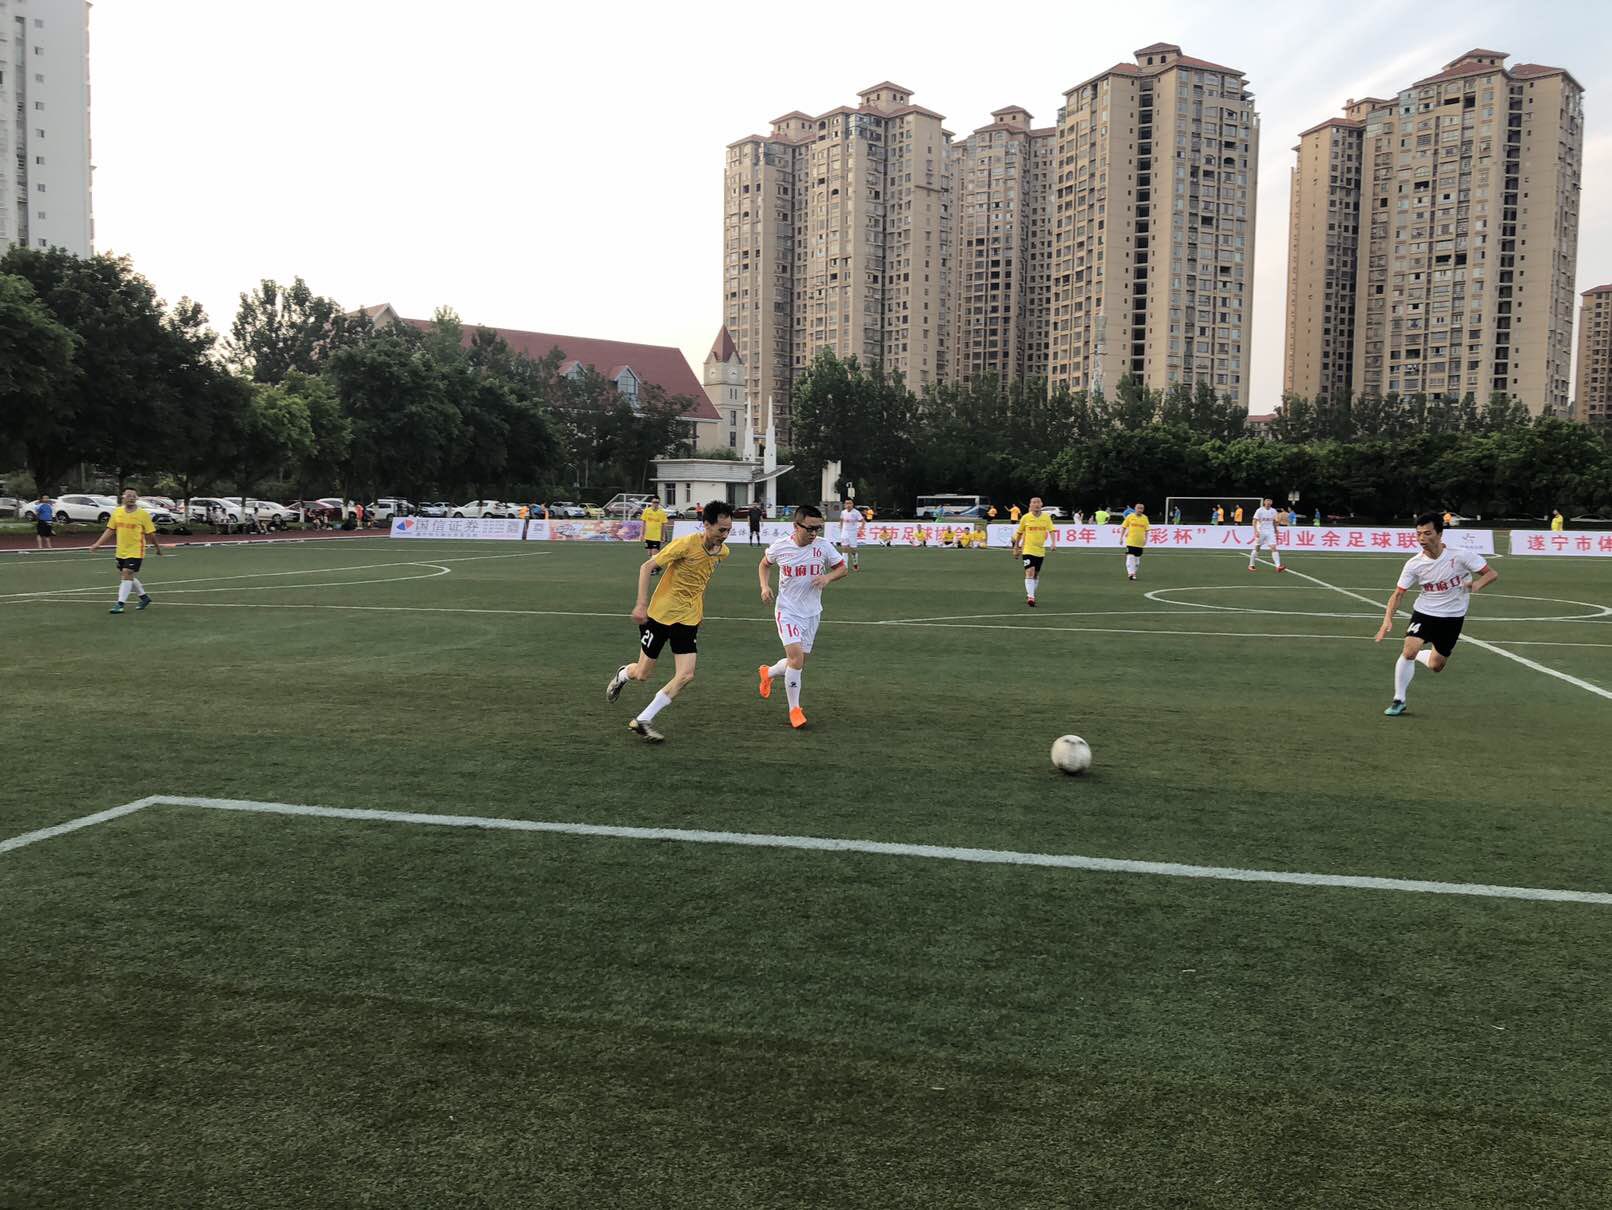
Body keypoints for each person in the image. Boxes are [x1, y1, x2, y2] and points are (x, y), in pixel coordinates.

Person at [604, 501, 735, 742]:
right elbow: (647, 567)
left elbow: (701, 582)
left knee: (686, 675)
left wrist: (699, 611)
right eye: (721, 530)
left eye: (729, 529)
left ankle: (644, 719)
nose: (725, 535)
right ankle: (623, 674)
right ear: (706, 525)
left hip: (688, 619)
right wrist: (641, 604)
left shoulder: (722, 553)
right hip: (660, 615)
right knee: (642, 673)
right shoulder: (685, 544)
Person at [1375, 511, 1497, 717]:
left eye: (1427, 533)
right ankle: (1399, 700)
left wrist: (1477, 584)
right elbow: (1398, 594)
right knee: (1409, 651)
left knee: (1436, 665)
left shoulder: (1461, 556)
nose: (1422, 538)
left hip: (1453, 617)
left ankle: (1421, 655)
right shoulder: (1414, 564)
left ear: (1440, 534)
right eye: (1418, 534)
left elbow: (1491, 573)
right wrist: (1387, 619)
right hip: (1425, 612)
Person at [756, 505, 849, 729]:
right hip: (787, 611)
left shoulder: (823, 546)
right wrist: (764, 586)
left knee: (797, 662)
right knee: (796, 660)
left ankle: (768, 672)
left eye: (818, 528)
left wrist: (827, 578)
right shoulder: (781, 546)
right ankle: (794, 710)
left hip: (812, 612)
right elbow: (764, 564)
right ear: (796, 526)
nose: (814, 533)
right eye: (810, 528)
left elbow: (842, 568)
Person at [86, 489, 167, 613]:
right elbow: (110, 530)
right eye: (129, 496)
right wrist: (97, 544)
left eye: (134, 496)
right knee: (127, 575)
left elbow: (151, 534)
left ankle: (120, 604)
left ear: (137, 498)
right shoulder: (117, 512)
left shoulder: (143, 514)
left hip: (136, 550)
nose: (131, 498)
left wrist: (157, 548)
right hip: (121, 550)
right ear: (123, 498)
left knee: (127, 572)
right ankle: (144, 598)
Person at [1011, 496, 1055, 607]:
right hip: (1027, 549)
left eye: (1038, 502)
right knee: (1030, 571)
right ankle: (1031, 597)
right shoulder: (1025, 518)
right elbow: (1019, 533)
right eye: (1034, 502)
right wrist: (1016, 548)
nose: (1036, 504)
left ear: (1041, 504)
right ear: (1030, 505)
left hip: (1040, 550)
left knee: (1036, 574)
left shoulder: (1046, 517)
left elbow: (1051, 530)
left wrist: (1053, 543)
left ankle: (1031, 594)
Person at [1248, 496, 1287, 573]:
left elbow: (1274, 521)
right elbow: (1254, 521)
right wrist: (1256, 531)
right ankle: (1251, 565)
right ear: (1264, 502)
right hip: (1261, 531)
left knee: (1273, 547)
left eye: (1270, 501)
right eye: (1267, 501)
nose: (1268, 502)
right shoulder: (1259, 510)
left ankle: (1278, 566)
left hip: (1270, 531)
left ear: (1271, 502)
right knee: (1257, 547)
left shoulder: (1273, 511)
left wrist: (1275, 530)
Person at [640, 496, 669, 576]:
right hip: (648, 536)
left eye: (657, 502)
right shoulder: (646, 511)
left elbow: (664, 525)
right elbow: (643, 523)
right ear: (651, 503)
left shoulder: (661, 513)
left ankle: (653, 569)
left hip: (657, 537)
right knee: (649, 554)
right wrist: (641, 534)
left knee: (654, 554)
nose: (655, 504)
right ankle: (657, 567)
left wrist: (664, 536)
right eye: (654, 502)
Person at [1122, 502, 1149, 581]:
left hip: (1140, 542)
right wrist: (1121, 537)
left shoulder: (1145, 518)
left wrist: (1146, 539)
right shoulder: (1130, 516)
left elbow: (1147, 529)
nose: (1140, 510)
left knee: (1137, 561)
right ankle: (1131, 573)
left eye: (1141, 508)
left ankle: (1133, 572)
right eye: (1138, 508)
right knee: (1130, 557)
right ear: (1135, 509)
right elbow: (1124, 526)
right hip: (1130, 541)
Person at [838, 498, 862, 571]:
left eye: (850, 503)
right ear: (844, 505)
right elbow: (841, 520)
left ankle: (855, 564)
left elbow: (863, 521)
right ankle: (845, 566)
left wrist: (860, 530)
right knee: (844, 548)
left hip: (853, 533)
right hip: (845, 532)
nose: (848, 505)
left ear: (852, 504)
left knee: (853, 550)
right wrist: (841, 528)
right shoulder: (843, 512)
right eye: (847, 503)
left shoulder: (856, 512)